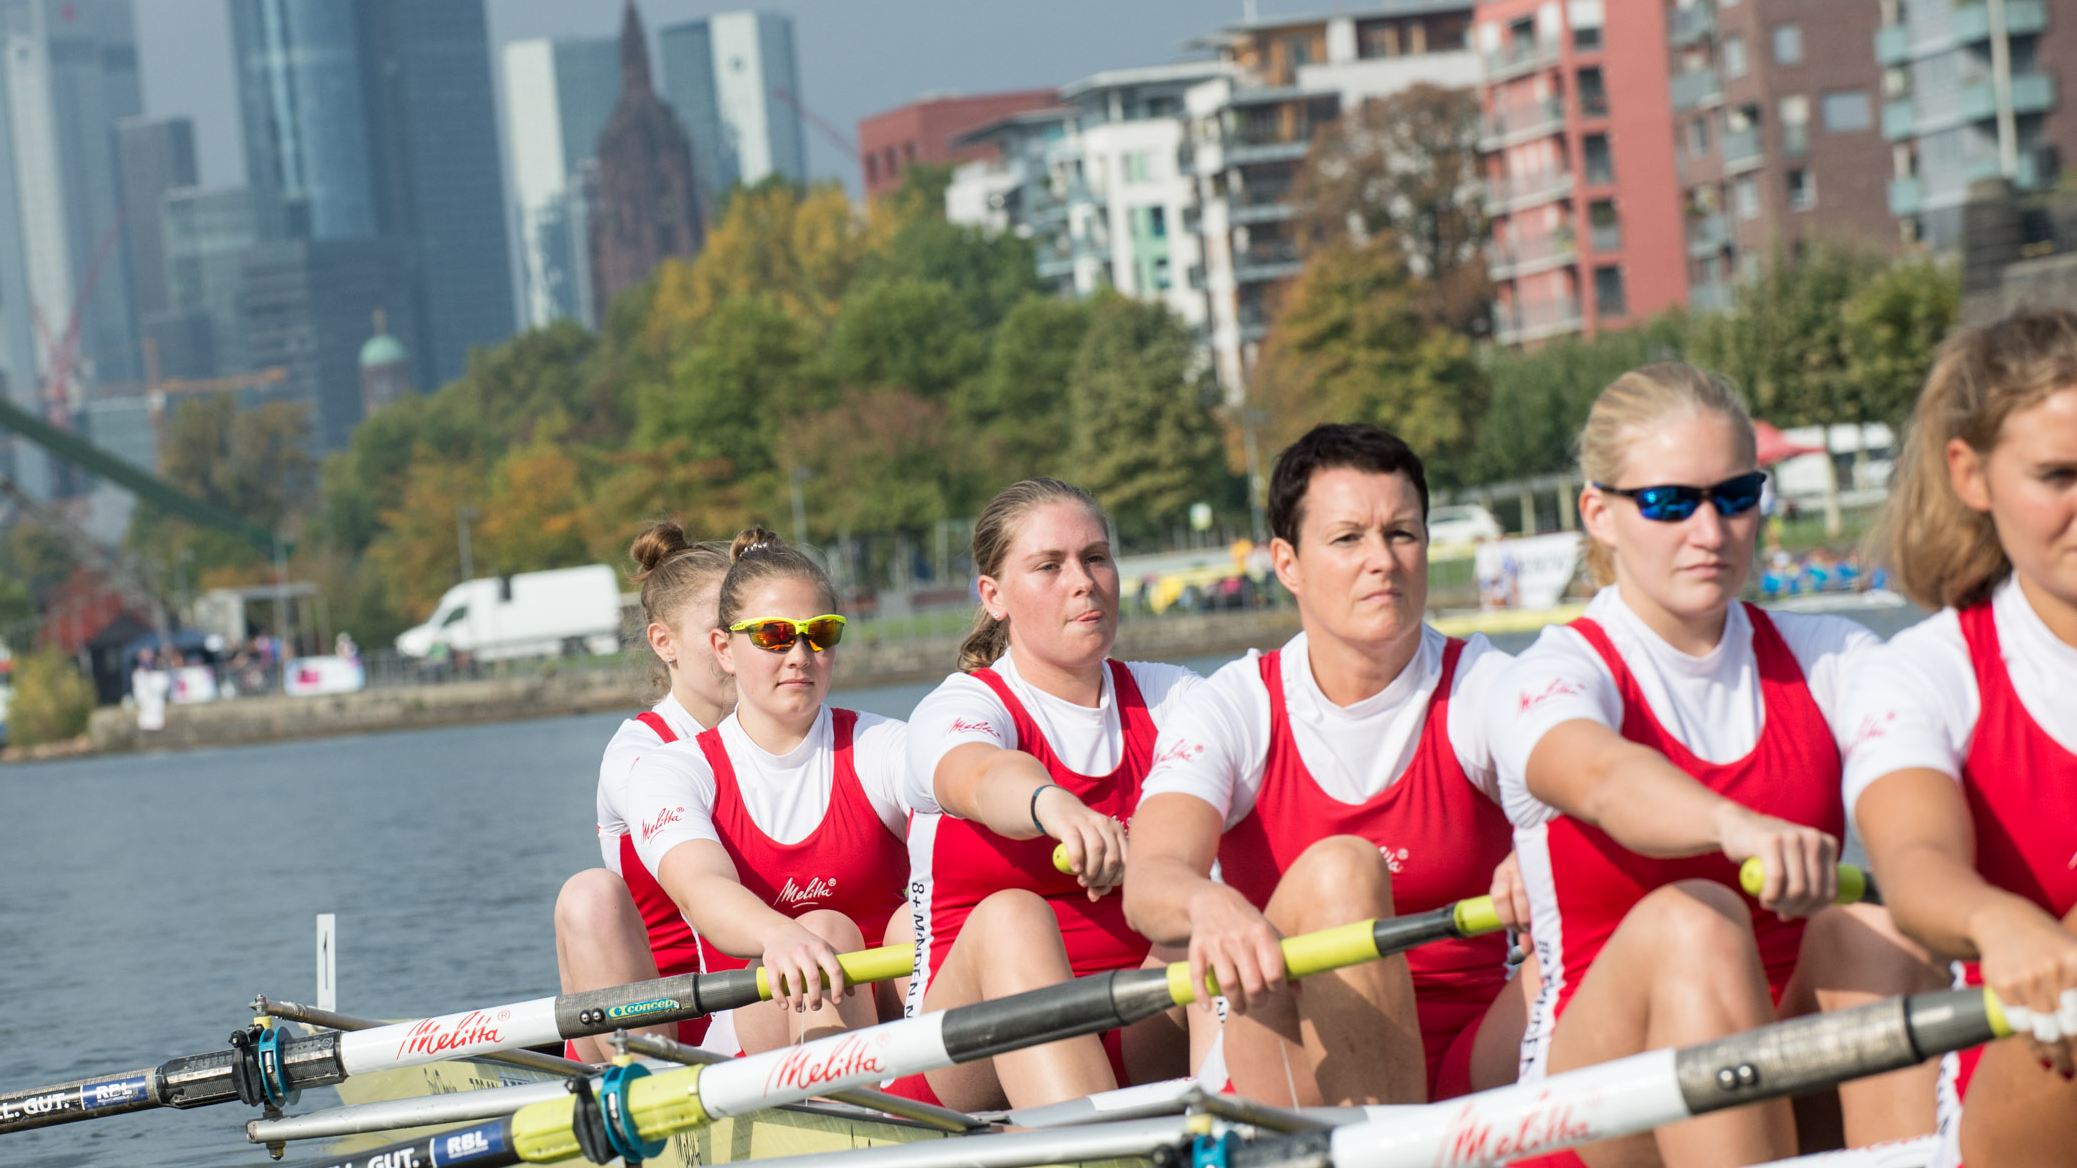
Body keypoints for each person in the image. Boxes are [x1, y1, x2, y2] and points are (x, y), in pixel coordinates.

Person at [1491, 363, 1939, 1168]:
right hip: (1599, 1117)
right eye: (1670, 503)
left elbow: (1931, 758)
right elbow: (1600, 776)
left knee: (1879, 927)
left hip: (1787, 1065)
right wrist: (1734, 826)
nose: (1712, 530)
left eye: (1736, 496)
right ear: (1601, 514)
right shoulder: (1553, 673)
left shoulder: (1830, 654)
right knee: (1696, 921)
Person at [1127, 425, 1529, 1108]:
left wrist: (1561, 839)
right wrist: (1209, 902)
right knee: (1344, 869)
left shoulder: (1488, 684)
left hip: (1476, 1053)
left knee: (1643, 912)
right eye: (1348, 539)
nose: (1383, 560)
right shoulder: (1236, 705)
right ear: (1287, 563)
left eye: (1402, 534)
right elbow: (1150, 881)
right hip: (1294, 1062)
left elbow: (1593, 785)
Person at [1845, 311, 2077, 1168]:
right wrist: (1998, 923)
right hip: (2029, 1104)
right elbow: (1915, 869)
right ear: (1970, 474)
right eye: (2058, 477)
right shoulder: (1927, 673)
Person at [893, 479, 1199, 1111]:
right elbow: (977, 775)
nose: (1083, 581)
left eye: (1095, 557)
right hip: (968, 1060)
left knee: (1211, 909)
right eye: (1049, 566)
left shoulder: (1175, 698)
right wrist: (1052, 806)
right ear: (994, 596)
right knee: (1013, 915)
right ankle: (1093, 1160)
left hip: (1140, 1027)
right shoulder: (965, 705)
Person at [627, 528, 911, 1056]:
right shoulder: (673, 769)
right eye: (774, 635)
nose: (800, 654)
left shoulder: (885, 744)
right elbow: (702, 890)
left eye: (821, 633)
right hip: (757, 1034)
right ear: (724, 649)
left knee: (919, 921)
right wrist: (780, 936)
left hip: (895, 1013)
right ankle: (844, 1113)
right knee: (826, 930)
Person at [553, 526, 736, 1064]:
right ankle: (642, 1086)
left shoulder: (788, 730)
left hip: (757, 1000)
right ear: (664, 643)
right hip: (654, 1022)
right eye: (719, 631)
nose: (736, 647)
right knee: (589, 895)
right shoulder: (636, 754)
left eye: (749, 629)